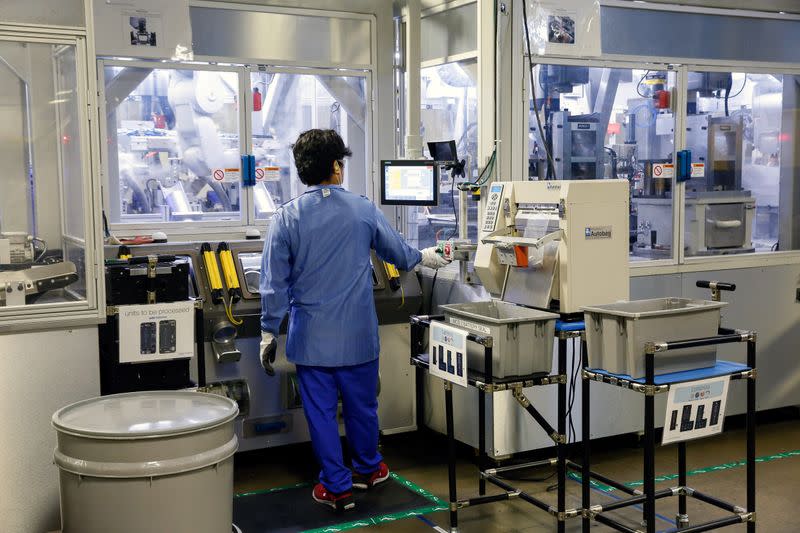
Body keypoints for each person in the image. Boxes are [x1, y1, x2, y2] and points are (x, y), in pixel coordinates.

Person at [259, 129, 450, 511]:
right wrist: (427, 257)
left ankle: (336, 486)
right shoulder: (363, 209)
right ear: (335, 167)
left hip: (312, 341)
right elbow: (399, 253)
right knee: (363, 407)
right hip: (359, 336)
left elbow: (273, 285)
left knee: (322, 415)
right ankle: (369, 468)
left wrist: (268, 332)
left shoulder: (286, 218)